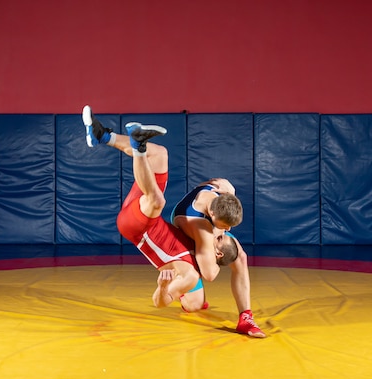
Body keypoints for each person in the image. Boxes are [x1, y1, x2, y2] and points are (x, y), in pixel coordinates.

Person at [82, 105, 238, 310]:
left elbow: (160, 303)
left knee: (158, 201)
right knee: (159, 155)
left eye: (220, 237)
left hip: (137, 227)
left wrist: (163, 287)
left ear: (217, 254)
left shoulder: (191, 273)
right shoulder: (199, 245)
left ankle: (138, 147)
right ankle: (102, 135)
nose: (218, 231)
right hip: (143, 212)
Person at [172, 179, 266, 338]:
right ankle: (181, 281)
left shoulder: (223, 188)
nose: (228, 230)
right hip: (183, 238)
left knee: (240, 256)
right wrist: (214, 257)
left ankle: (245, 317)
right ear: (213, 213)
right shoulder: (202, 228)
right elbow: (210, 275)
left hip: (209, 225)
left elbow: (215, 185)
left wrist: (232, 192)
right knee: (195, 304)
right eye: (225, 226)